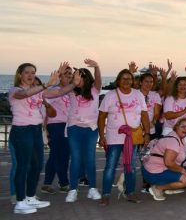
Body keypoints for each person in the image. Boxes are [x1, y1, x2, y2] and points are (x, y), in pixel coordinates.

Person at [9, 63, 72, 214]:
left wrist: (74, 83)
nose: (30, 75)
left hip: (36, 130)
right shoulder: (14, 91)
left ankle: (30, 197)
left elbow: (60, 91)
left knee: (37, 165)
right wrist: (46, 84)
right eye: (27, 72)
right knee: (23, 166)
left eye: (33, 72)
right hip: (21, 131)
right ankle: (20, 201)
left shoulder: (39, 93)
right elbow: (24, 95)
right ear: (20, 75)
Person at [97, 68, 151, 206]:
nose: (126, 81)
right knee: (110, 166)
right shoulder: (110, 95)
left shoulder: (138, 95)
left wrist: (147, 133)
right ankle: (106, 194)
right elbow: (102, 116)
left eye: (129, 78)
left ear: (133, 81)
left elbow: (144, 114)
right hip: (114, 136)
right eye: (123, 78)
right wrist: (101, 135)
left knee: (131, 166)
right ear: (118, 81)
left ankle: (130, 192)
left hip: (132, 137)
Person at [65, 60, 103, 203]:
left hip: (91, 129)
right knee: (75, 159)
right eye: (75, 76)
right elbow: (62, 86)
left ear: (85, 78)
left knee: (90, 159)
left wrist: (96, 67)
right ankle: (73, 189)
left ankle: (92, 189)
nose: (77, 78)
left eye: (79, 76)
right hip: (74, 128)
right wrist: (69, 77)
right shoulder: (71, 90)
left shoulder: (94, 89)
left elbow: (98, 80)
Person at [141, 118, 186, 201]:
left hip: (151, 169)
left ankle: (168, 188)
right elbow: (168, 163)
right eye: (182, 126)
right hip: (153, 172)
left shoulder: (175, 136)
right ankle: (158, 188)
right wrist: (183, 170)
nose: (185, 129)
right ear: (176, 127)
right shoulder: (173, 141)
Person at [41, 65, 73, 194]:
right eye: (66, 74)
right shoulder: (54, 90)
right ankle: (60, 183)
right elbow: (45, 108)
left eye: (70, 74)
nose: (69, 76)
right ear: (59, 76)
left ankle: (58, 182)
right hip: (56, 125)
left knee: (64, 155)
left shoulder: (71, 91)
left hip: (68, 126)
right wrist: (45, 129)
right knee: (56, 155)